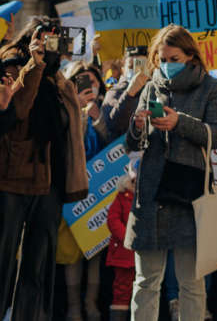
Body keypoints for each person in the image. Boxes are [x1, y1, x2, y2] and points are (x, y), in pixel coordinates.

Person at [126, 25, 217, 321]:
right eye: (162, 59)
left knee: (191, 283)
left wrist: (179, 123)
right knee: (146, 282)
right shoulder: (151, 87)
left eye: (174, 58)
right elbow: (132, 143)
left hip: (189, 192)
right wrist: (137, 126)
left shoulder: (210, 87)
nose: (167, 65)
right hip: (152, 192)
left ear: (190, 56)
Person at [0, 19, 89, 321]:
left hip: (49, 183)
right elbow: (16, 112)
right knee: (3, 261)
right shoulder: (12, 65)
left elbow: (69, 131)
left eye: (58, 42)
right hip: (12, 179)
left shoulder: (58, 80)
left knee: (38, 265)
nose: (54, 48)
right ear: (34, 39)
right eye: (48, 41)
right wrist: (33, 65)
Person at [61, 62, 112, 321]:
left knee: (95, 249)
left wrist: (97, 117)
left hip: (100, 189)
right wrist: (80, 114)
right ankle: (72, 307)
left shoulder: (106, 107)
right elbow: (70, 144)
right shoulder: (66, 108)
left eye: (92, 80)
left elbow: (111, 141)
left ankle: (91, 304)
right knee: (73, 252)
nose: (88, 85)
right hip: (74, 189)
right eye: (81, 81)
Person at [106, 168, 137, 321]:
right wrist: (128, 237)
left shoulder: (148, 199)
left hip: (142, 253)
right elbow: (112, 220)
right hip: (124, 255)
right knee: (122, 290)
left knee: (142, 290)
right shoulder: (121, 198)